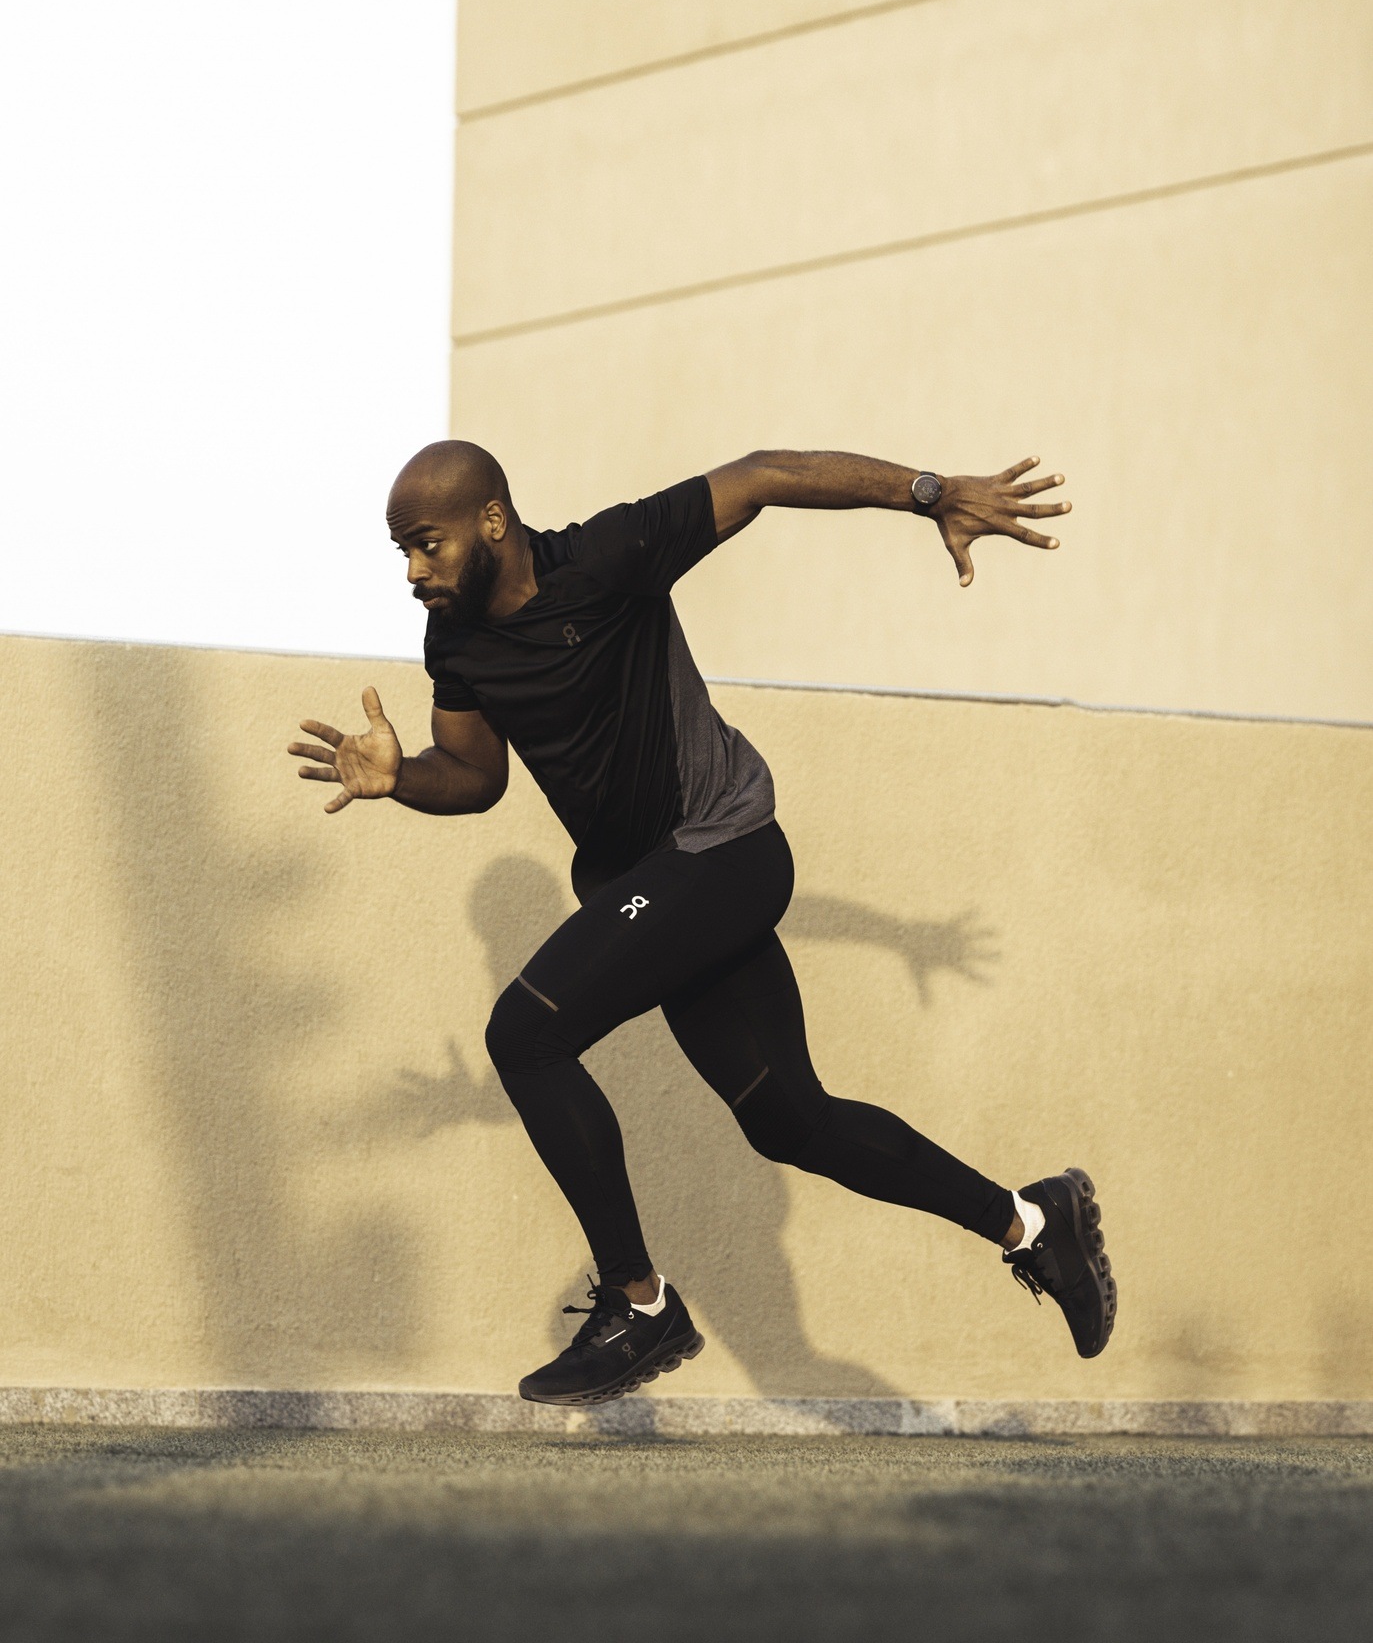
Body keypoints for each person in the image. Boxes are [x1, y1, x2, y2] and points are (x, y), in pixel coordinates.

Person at [288, 444, 1116, 1406]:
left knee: (525, 1032)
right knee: (790, 1121)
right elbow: (474, 776)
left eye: (426, 544)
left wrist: (930, 494)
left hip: (721, 851)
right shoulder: (457, 643)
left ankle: (638, 1303)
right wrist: (402, 779)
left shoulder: (610, 556)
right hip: (656, 886)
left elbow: (760, 476)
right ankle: (1033, 1223)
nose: (412, 571)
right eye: (401, 551)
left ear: (493, 523)